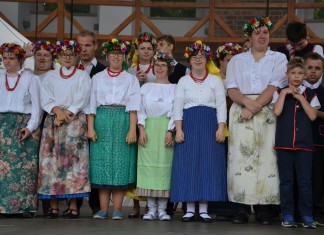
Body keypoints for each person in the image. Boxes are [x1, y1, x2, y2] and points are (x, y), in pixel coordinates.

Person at [225, 16, 287, 225]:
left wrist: (255, 107)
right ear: (249, 37)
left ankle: (264, 210)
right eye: (257, 32)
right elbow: (231, 88)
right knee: (240, 159)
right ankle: (240, 208)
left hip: (267, 109)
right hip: (241, 109)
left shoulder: (278, 58)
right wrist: (247, 104)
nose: (262, 36)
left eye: (265, 32)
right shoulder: (237, 60)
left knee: (267, 158)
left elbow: (273, 85)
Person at [171, 40, 227, 223]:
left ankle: (203, 209)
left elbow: (221, 105)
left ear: (207, 59)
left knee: (207, 164)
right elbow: (177, 106)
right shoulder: (183, 81)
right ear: (190, 59)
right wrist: (178, 129)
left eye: (201, 57)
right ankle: (189, 208)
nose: (198, 59)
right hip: (189, 123)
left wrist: (221, 127)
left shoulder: (216, 80)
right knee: (188, 164)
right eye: (194, 57)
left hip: (210, 123)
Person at [86, 38, 140, 220]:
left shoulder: (131, 79)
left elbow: (133, 106)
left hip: (122, 119)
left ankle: (117, 209)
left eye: (120, 54)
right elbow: (91, 105)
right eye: (113, 54)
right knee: (102, 164)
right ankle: (103, 209)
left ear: (124, 57)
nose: (116, 57)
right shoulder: (97, 78)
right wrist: (91, 128)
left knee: (120, 165)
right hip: (101, 119)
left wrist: (132, 129)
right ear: (107, 56)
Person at [38, 39, 91, 219]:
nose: (67, 58)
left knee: (74, 164)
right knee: (51, 162)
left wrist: (68, 112)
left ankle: (73, 206)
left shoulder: (82, 75)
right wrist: (57, 112)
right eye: (64, 55)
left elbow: (83, 96)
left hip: (74, 122)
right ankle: (53, 206)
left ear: (76, 56)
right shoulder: (50, 76)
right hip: (54, 121)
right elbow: (45, 97)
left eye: (71, 55)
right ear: (58, 56)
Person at [271, 57, 319, 228]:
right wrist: (284, 93)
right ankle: (288, 215)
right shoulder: (279, 92)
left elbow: (313, 115)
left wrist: (300, 97)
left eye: (300, 73)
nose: (296, 76)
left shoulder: (310, 94)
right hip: (284, 144)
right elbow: (276, 112)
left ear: (304, 75)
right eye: (293, 73)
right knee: (286, 181)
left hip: (304, 146)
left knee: (305, 182)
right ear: (287, 75)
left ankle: (307, 216)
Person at [0, 43, 42, 217]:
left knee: (24, 168)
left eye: (11, 58)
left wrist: (30, 127)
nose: (7, 62)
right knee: (2, 168)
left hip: (23, 124)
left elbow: (37, 108)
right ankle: (3, 207)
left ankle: (24, 207)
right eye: (5, 58)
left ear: (20, 59)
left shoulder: (31, 78)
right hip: (2, 124)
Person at [136, 52, 176, 221]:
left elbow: (176, 111)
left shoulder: (175, 88)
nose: (159, 68)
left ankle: (162, 209)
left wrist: (170, 130)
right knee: (148, 168)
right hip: (149, 129)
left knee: (165, 169)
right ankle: (151, 209)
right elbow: (140, 109)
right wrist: (142, 130)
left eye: (163, 65)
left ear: (169, 68)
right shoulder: (145, 87)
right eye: (157, 65)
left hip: (165, 128)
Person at [210, 42, 243, 220]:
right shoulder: (214, 79)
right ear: (220, 62)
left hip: (238, 129)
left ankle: (233, 208)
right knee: (218, 167)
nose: (232, 64)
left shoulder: (240, 81)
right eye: (229, 60)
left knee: (234, 167)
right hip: (217, 128)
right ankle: (216, 206)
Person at [76, 30, 106, 215]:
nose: (84, 49)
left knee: (95, 161)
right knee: (75, 163)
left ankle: (96, 204)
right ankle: (75, 204)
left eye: (88, 45)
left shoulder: (103, 71)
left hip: (98, 120)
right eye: (80, 45)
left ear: (95, 46)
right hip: (74, 120)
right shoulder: (70, 69)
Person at [33, 40, 56, 216]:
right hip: (32, 122)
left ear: (52, 58)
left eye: (46, 55)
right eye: (39, 54)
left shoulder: (56, 76)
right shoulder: (26, 75)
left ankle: (48, 206)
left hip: (49, 120)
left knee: (48, 162)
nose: (42, 58)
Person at [302, 53, 324, 226]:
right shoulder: (296, 89)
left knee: (318, 178)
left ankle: (318, 211)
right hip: (298, 141)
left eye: (317, 68)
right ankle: (298, 211)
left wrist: (316, 112)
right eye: (309, 67)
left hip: (319, 141)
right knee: (301, 178)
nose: (313, 72)